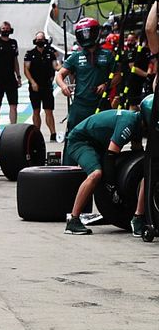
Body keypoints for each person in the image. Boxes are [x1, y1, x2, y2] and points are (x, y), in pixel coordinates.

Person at [63, 95, 151, 235]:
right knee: (96, 174)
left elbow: (138, 157)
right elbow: (111, 155)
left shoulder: (139, 124)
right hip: (81, 141)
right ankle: (73, 220)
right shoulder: (128, 123)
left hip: (98, 142)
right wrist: (112, 187)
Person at [55, 17, 115, 143]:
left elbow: (118, 75)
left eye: (88, 33)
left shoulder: (107, 55)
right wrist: (63, 86)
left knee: (104, 139)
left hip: (101, 103)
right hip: (80, 105)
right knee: (73, 138)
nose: (86, 36)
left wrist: (106, 85)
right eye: (83, 33)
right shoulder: (75, 56)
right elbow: (59, 75)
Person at [23, 31, 59, 141]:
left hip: (47, 86)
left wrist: (65, 67)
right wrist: (32, 82)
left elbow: (56, 66)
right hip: (35, 87)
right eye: (38, 39)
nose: (40, 41)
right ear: (35, 40)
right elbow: (26, 69)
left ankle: (53, 133)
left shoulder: (50, 53)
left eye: (41, 39)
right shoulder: (30, 53)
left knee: (49, 110)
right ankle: (37, 134)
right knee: (36, 110)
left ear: (45, 40)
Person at [113, 32, 149, 111]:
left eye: (132, 40)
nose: (129, 42)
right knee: (119, 99)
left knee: (134, 103)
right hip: (125, 80)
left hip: (136, 81)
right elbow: (131, 66)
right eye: (128, 40)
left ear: (136, 40)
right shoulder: (125, 52)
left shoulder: (141, 51)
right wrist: (147, 75)